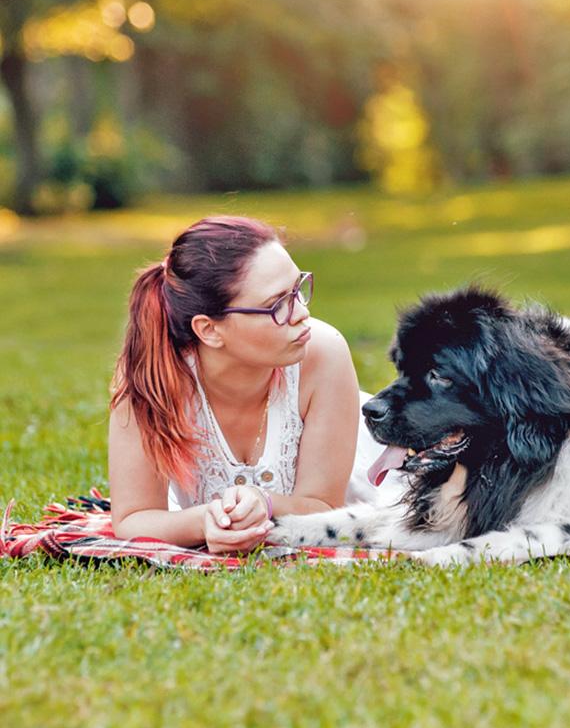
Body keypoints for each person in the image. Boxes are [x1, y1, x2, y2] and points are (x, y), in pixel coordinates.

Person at [109, 216, 389, 553]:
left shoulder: (322, 353)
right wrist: (204, 521)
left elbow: (323, 506)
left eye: (298, 290)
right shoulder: (151, 376)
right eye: (277, 305)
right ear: (209, 330)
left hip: (368, 490)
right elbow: (132, 518)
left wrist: (265, 504)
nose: (301, 313)